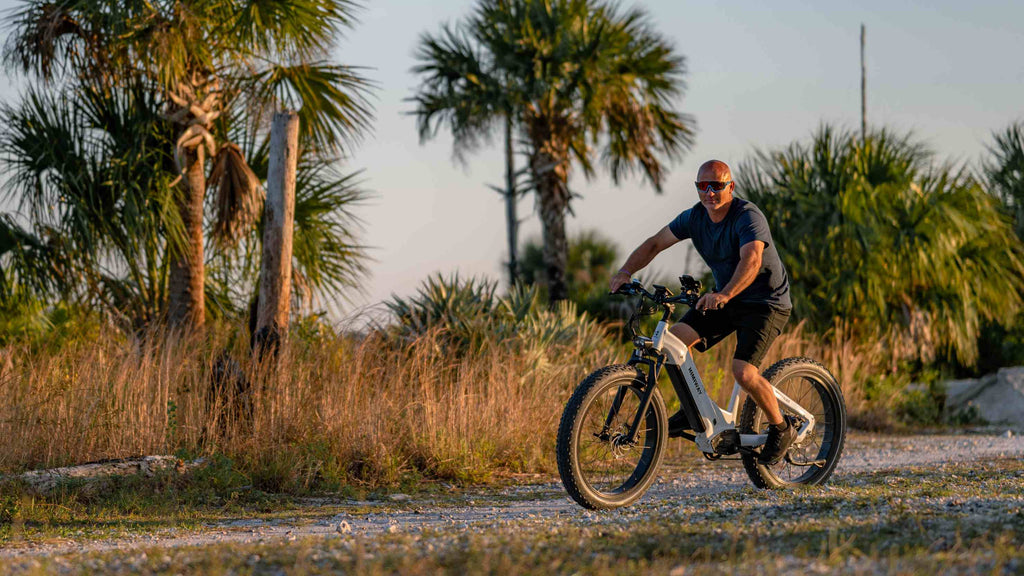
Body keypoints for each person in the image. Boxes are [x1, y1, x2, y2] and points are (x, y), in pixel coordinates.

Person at [608, 159, 796, 465]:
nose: (710, 192)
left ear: (730, 187)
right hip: (725, 299)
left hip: (765, 302)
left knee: (744, 372)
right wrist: (625, 271)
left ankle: (781, 427)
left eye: (717, 185)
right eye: (703, 186)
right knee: (674, 344)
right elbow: (656, 242)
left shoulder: (747, 216)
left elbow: (751, 260)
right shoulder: (694, 218)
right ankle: (694, 409)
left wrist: (724, 293)